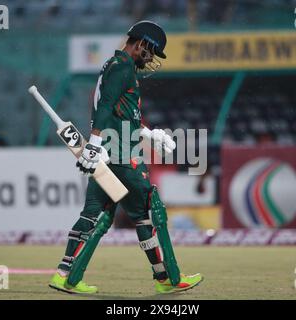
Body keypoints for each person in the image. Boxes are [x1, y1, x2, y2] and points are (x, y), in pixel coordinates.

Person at [48, 20, 203, 294]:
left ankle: (65, 275)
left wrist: (150, 134)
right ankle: (168, 277)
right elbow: (105, 107)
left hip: (110, 151)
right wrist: (94, 143)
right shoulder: (123, 69)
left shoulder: (115, 65)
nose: (152, 58)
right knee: (150, 211)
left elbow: (123, 114)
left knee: (93, 215)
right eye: (152, 51)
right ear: (141, 43)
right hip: (121, 154)